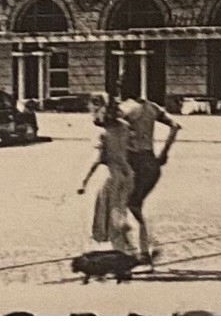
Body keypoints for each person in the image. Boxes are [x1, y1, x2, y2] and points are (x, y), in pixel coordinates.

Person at [118, 94, 179, 264]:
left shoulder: (126, 108)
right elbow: (175, 126)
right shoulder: (152, 107)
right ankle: (144, 247)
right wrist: (164, 152)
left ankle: (142, 251)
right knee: (134, 205)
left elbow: (104, 123)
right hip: (151, 162)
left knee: (125, 205)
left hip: (134, 161)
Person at [77, 93, 136, 257]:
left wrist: (83, 181)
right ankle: (129, 249)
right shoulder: (124, 127)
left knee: (107, 216)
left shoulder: (102, 133)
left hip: (110, 177)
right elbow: (131, 149)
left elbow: (96, 159)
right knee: (119, 212)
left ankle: (121, 255)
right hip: (127, 175)